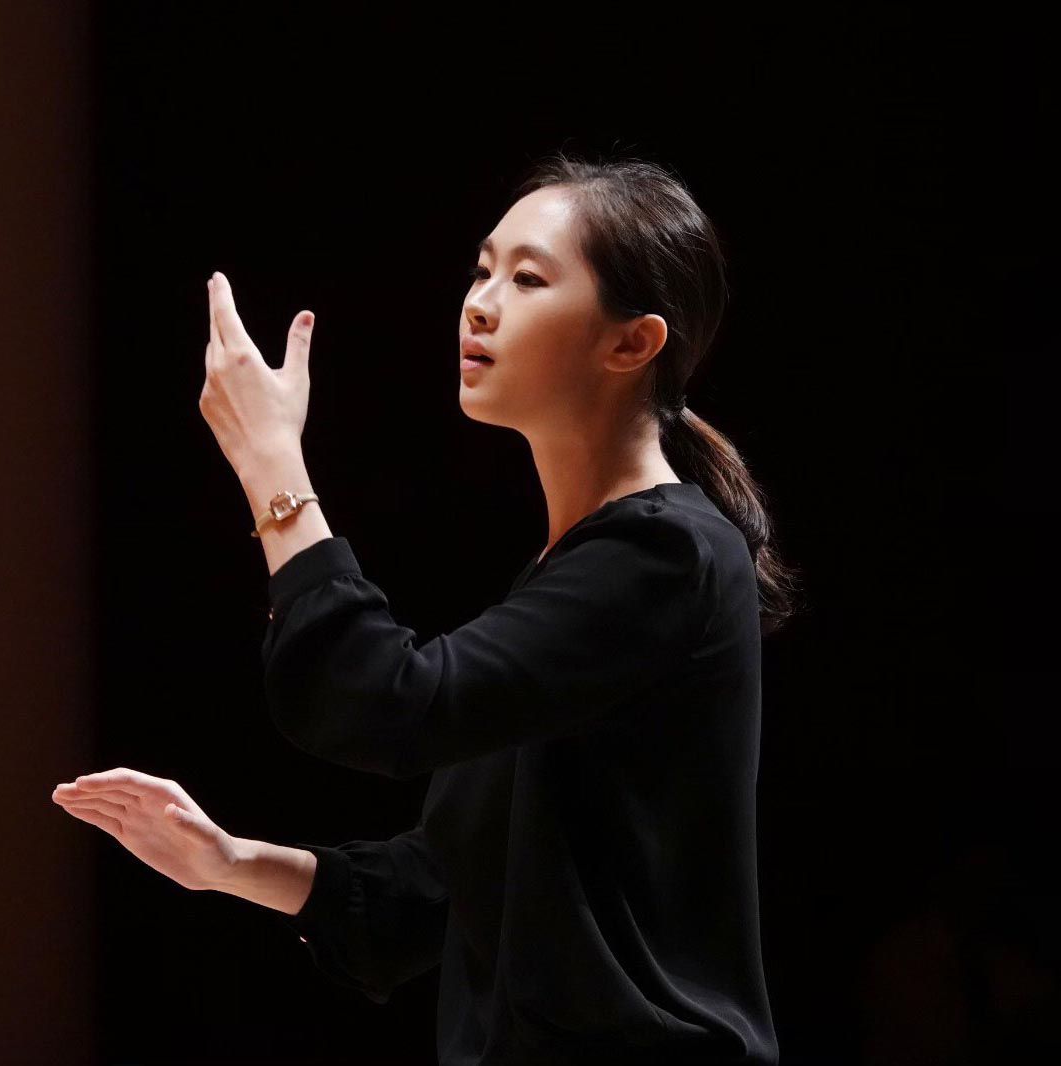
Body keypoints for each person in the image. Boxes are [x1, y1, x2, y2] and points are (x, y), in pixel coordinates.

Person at [51, 151, 801, 1065]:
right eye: (483, 269)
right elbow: (444, 890)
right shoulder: (586, 568)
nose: (481, 301)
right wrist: (229, 863)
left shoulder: (664, 554)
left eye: (528, 278)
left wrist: (273, 469)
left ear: (631, 343)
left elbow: (384, 704)